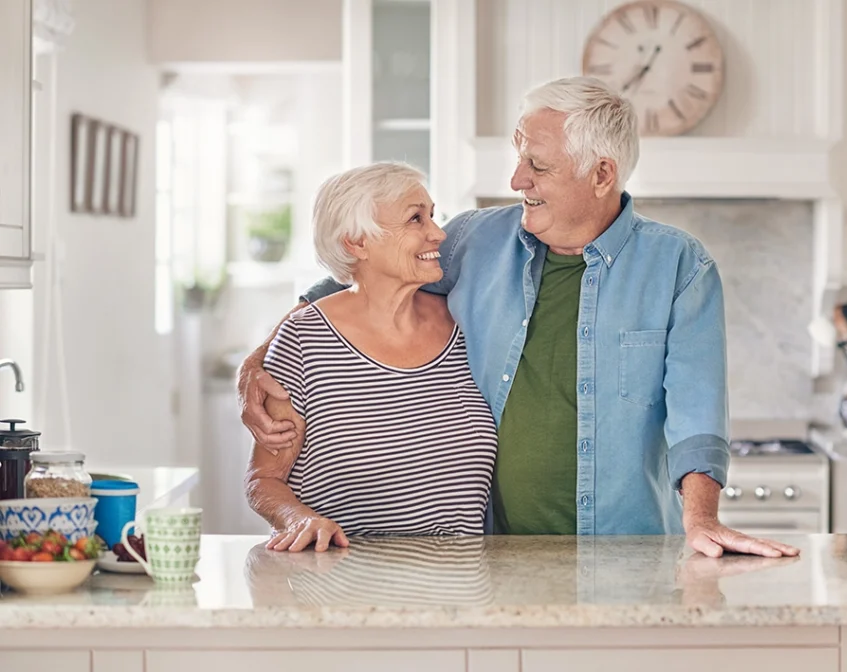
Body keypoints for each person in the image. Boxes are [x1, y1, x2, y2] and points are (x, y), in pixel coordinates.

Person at [238, 76, 798, 559]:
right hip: (491, 557)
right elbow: (356, 281)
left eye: (537, 164)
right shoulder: (474, 240)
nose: (515, 180)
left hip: (625, 554)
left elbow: (697, 415)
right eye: (518, 156)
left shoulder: (679, 266)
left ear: (602, 175)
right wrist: (257, 363)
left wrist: (700, 519)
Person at [243, 162, 498, 553]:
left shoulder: (465, 324)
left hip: (461, 590)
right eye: (416, 218)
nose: (438, 233)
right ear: (357, 243)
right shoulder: (304, 341)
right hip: (339, 590)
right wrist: (298, 518)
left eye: (433, 215)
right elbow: (264, 479)